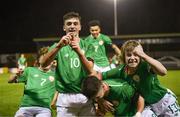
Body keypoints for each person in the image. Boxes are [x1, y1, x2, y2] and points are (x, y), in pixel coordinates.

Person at [97, 40, 180, 116]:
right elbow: (97, 77)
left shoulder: (145, 66)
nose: (132, 58)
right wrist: (100, 99)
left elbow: (163, 72)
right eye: (129, 55)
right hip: (147, 106)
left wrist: (143, 55)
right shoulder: (120, 70)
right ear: (123, 57)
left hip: (164, 102)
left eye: (136, 55)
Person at [40, 12, 95, 116]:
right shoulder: (57, 46)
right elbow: (43, 64)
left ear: (80, 27)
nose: (72, 26)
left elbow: (89, 70)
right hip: (65, 98)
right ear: (64, 27)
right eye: (69, 24)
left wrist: (79, 52)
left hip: (85, 96)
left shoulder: (88, 45)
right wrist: (59, 46)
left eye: (75, 23)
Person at [8, 47, 56, 117]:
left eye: (49, 59)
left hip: (44, 108)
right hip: (26, 107)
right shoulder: (29, 70)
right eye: (44, 58)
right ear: (39, 60)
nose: (47, 61)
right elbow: (10, 81)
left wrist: (54, 102)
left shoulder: (55, 75)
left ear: (53, 61)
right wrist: (16, 74)